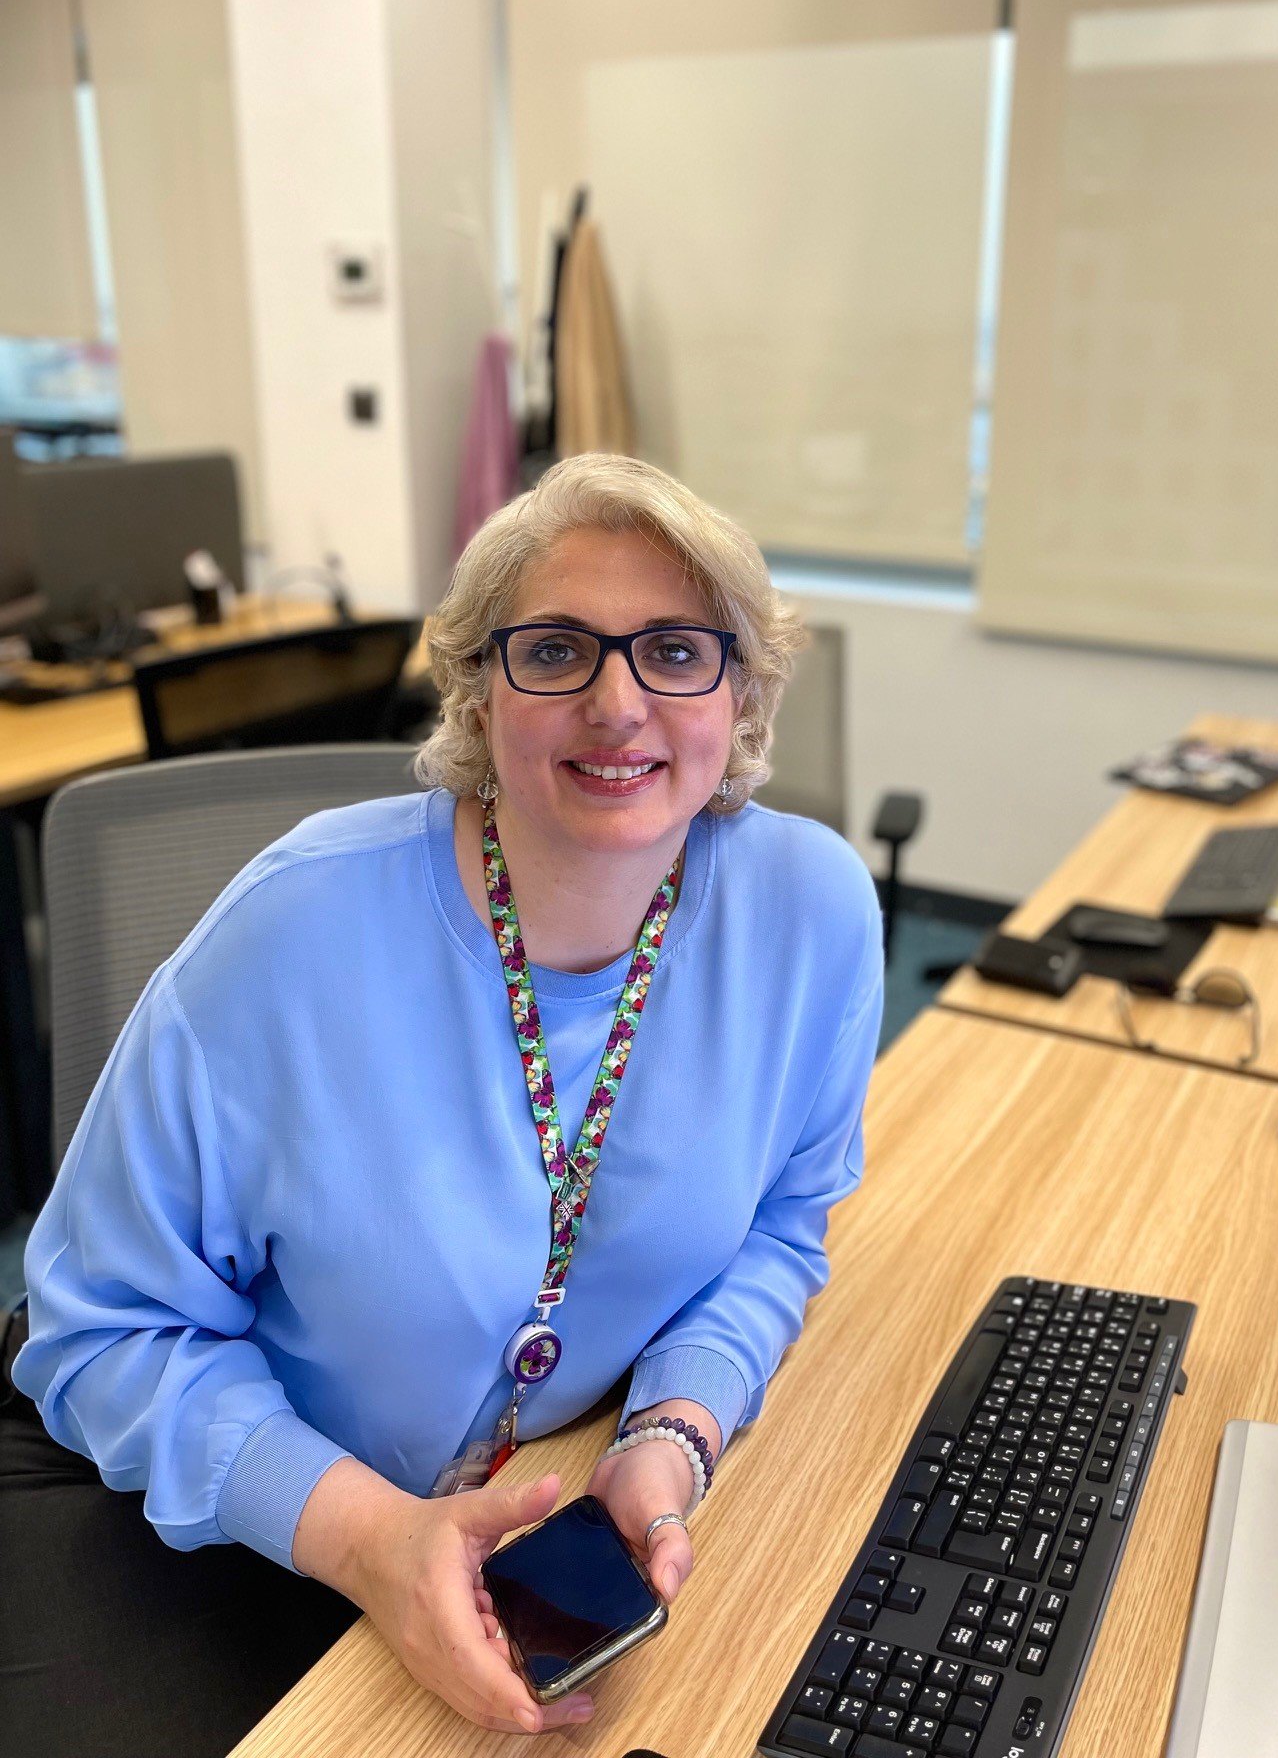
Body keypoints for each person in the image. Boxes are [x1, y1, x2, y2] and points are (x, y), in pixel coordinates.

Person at [2, 453, 885, 1755]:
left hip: (526, 1509)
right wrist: (368, 1540)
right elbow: (101, 1333)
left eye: (676, 652)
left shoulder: (810, 914)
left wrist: (673, 1434)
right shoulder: (290, 934)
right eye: (558, 650)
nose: (619, 702)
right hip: (200, 1497)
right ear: (480, 686)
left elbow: (777, 1232)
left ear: (741, 690)